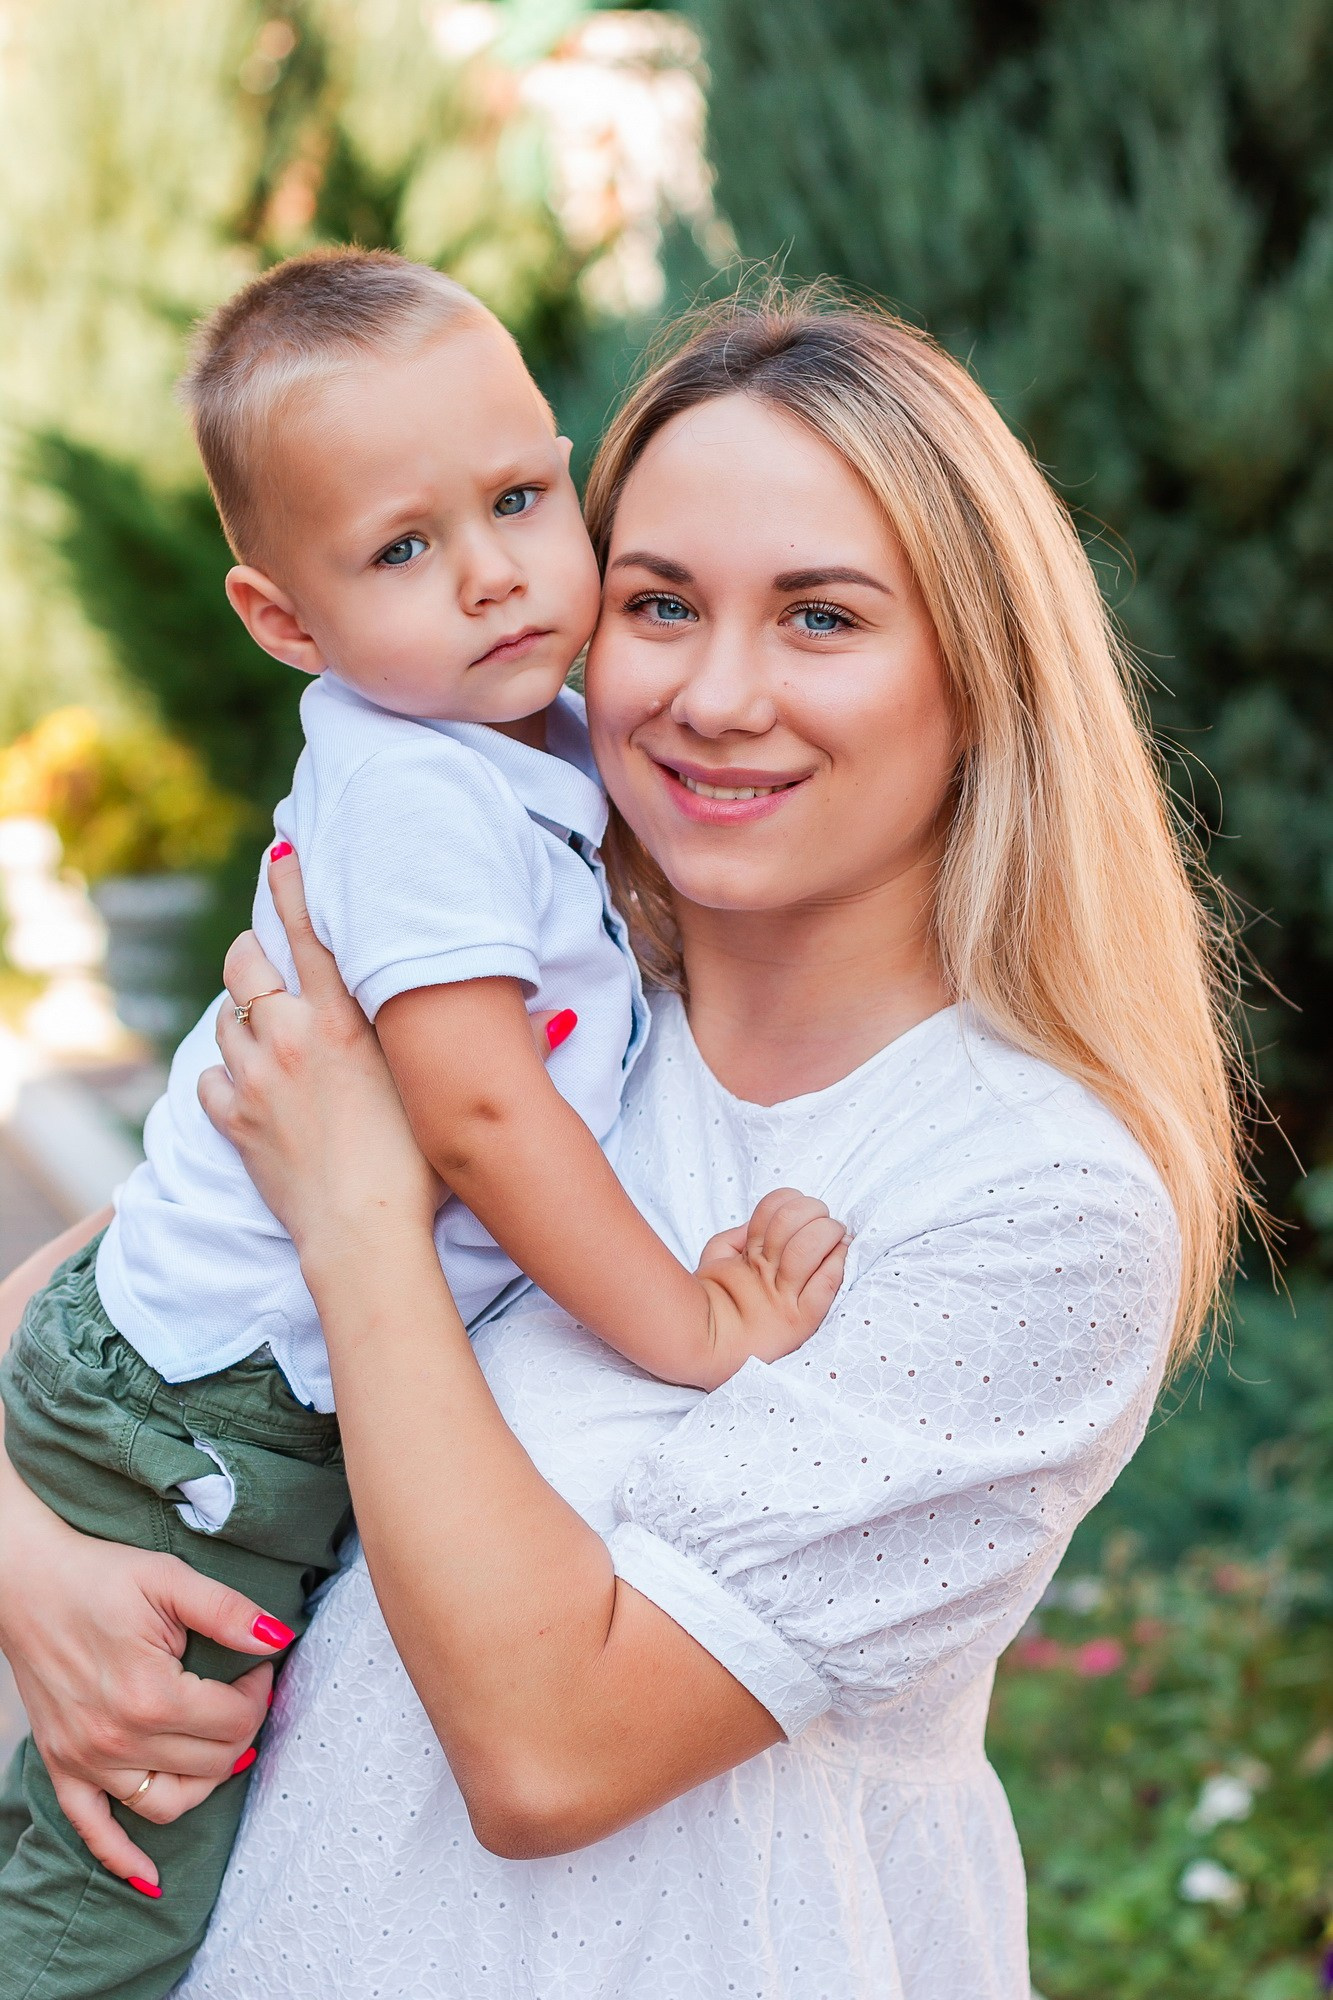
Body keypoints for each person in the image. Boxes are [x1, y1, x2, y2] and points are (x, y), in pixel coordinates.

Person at [0, 289, 1252, 2000]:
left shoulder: (1027, 1191)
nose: (716, 693)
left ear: (977, 671)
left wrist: (366, 1207)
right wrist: (32, 1571)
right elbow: (95, 1304)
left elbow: (547, 1758)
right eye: (661, 602)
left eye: (821, 617)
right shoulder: (557, 1006)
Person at [0, 252, 847, 2000]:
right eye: (402, 549)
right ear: (284, 621)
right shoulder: (417, 788)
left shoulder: (518, 745)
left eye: (525, 499)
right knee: (127, 1846)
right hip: (215, 1409)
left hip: (206, 1358)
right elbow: (472, 1106)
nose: (491, 576)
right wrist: (684, 1319)